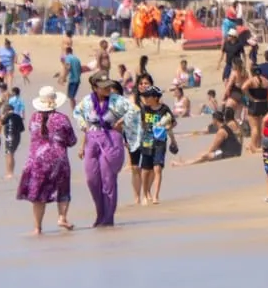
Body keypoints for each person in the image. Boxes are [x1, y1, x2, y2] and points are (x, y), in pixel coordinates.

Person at [72, 74, 140, 228]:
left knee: (108, 179)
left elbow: (134, 110)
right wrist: (84, 126)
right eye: (104, 86)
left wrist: (122, 122)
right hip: (92, 138)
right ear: (95, 87)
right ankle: (100, 213)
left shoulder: (117, 100)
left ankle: (108, 218)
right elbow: (77, 113)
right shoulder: (88, 101)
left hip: (111, 139)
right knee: (91, 179)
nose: (108, 88)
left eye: (109, 85)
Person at [17, 86, 76, 234]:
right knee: (62, 190)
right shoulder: (62, 119)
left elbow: (33, 133)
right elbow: (72, 140)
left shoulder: (34, 118)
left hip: (36, 161)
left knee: (38, 195)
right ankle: (62, 217)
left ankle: (37, 227)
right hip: (58, 160)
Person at [135, 86, 175, 205]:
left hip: (160, 142)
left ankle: (156, 195)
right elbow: (141, 124)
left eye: (148, 96)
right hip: (147, 142)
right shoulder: (144, 109)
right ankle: (146, 193)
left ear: (156, 97)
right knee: (146, 170)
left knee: (158, 168)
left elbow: (173, 123)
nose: (146, 98)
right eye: (145, 96)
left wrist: (166, 128)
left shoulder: (164, 109)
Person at [175, 108, 244, 166]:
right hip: (233, 151)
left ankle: (185, 164)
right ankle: (186, 162)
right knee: (205, 154)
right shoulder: (225, 127)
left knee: (205, 156)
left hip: (230, 154)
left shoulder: (221, 131)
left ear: (215, 120)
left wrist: (205, 153)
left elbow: (213, 147)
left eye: (212, 119)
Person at [1, 103, 23, 181]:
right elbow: (22, 129)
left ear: (6, 110)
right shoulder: (18, 116)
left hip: (10, 136)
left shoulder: (7, 116)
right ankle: (9, 172)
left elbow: (1, 122)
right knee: (10, 154)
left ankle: (9, 173)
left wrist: (3, 115)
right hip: (17, 137)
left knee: (9, 154)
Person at [58, 46, 83, 111]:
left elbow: (68, 68)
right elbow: (80, 70)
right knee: (72, 97)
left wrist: (63, 78)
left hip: (72, 80)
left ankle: (74, 111)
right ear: (71, 52)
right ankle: (75, 110)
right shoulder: (77, 59)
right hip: (77, 80)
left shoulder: (68, 58)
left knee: (71, 97)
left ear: (66, 52)